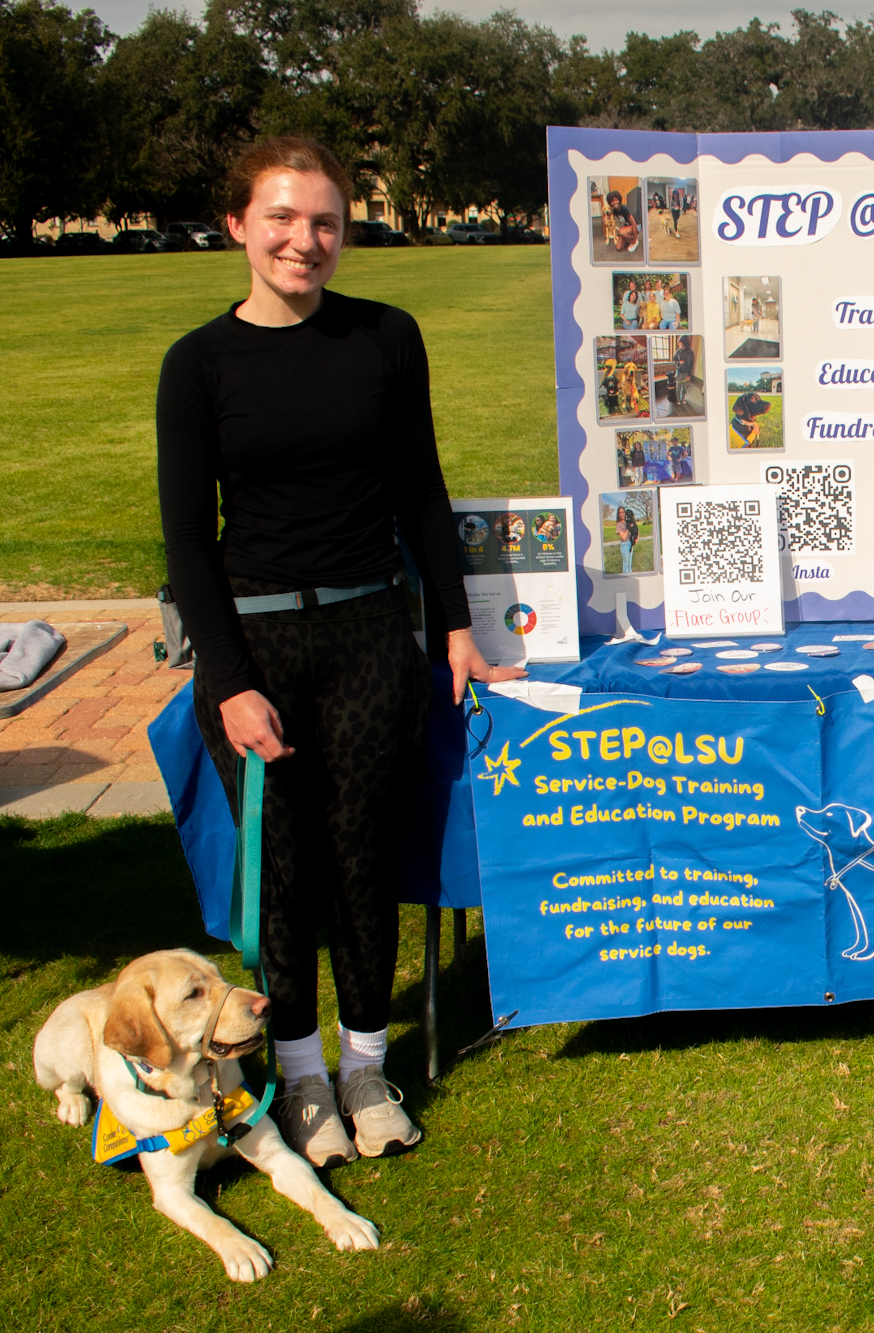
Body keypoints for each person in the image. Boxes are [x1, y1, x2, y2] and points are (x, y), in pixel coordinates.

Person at [157, 137, 525, 1168]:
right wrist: (228, 683)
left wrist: (453, 625)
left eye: (323, 221)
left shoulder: (384, 338)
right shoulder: (198, 364)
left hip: (370, 634)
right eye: (280, 218)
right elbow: (188, 539)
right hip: (258, 644)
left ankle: (366, 1068)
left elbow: (421, 491)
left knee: (366, 862)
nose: (302, 240)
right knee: (284, 878)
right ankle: (302, 1078)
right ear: (238, 225)